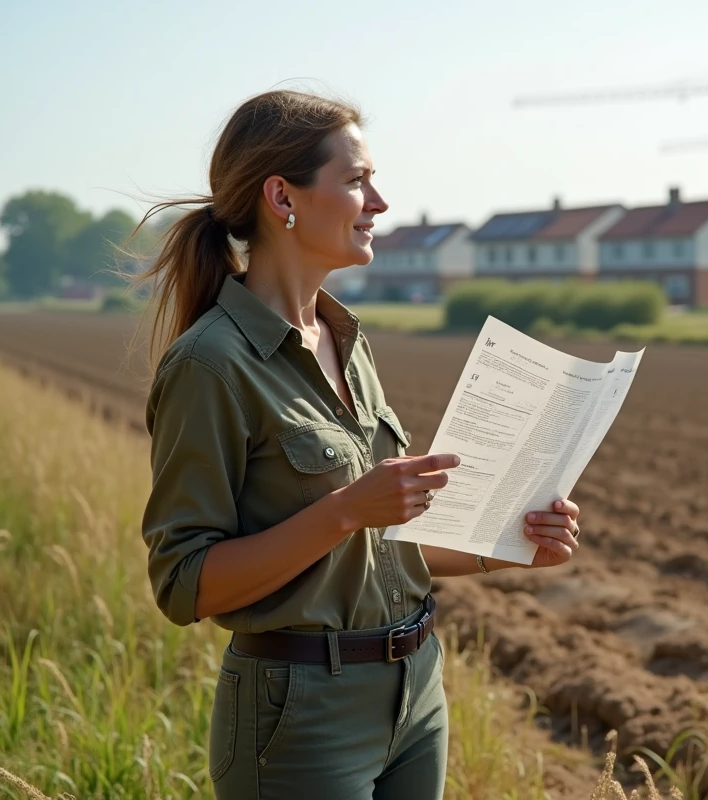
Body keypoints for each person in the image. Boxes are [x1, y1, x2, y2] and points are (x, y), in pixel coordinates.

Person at [133, 89, 582, 799]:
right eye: (356, 180)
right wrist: (343, 509)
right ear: (282, 197)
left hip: (416, 690)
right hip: (301, 715)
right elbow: (184, 583)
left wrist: (509, 544)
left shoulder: (347, 340)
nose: (379, 201)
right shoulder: (210, 365)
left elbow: (379, 545)